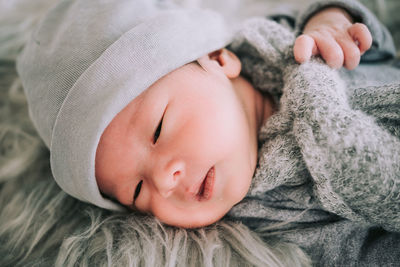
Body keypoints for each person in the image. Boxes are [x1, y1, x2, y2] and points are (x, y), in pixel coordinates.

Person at [16, 0, 399, 265]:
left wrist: (332, 21)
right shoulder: (270, 211)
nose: (165, 181)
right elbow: (361, 251)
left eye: (159, 129)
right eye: (136, 191)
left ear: (218, 58)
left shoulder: (288, 42)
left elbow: (372, 42)